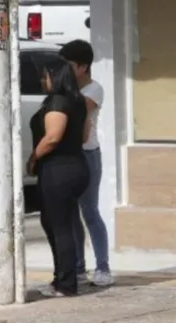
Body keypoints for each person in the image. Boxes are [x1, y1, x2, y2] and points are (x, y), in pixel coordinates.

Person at [27, 57, 90, 297]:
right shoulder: (78, 101)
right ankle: (62, 278)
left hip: (59, 169)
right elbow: (84, 136)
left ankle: (66, 283)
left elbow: (53, 137)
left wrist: (33, 158)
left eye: (46, 75)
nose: (43, 80)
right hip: (76, 166)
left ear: (57, 75)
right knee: (56, 223)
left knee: (59, 226)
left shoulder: (58, 101)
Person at [58, 39, 115, 287]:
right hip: (67, 156)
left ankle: (102, 267)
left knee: (89, 211)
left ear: (82, 67)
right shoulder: (65, 90)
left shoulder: (94, 90)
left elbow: (76, 110)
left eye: (68, 65)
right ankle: (78, 267)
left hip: (88, 155)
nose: (63, 71)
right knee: (71, 214)